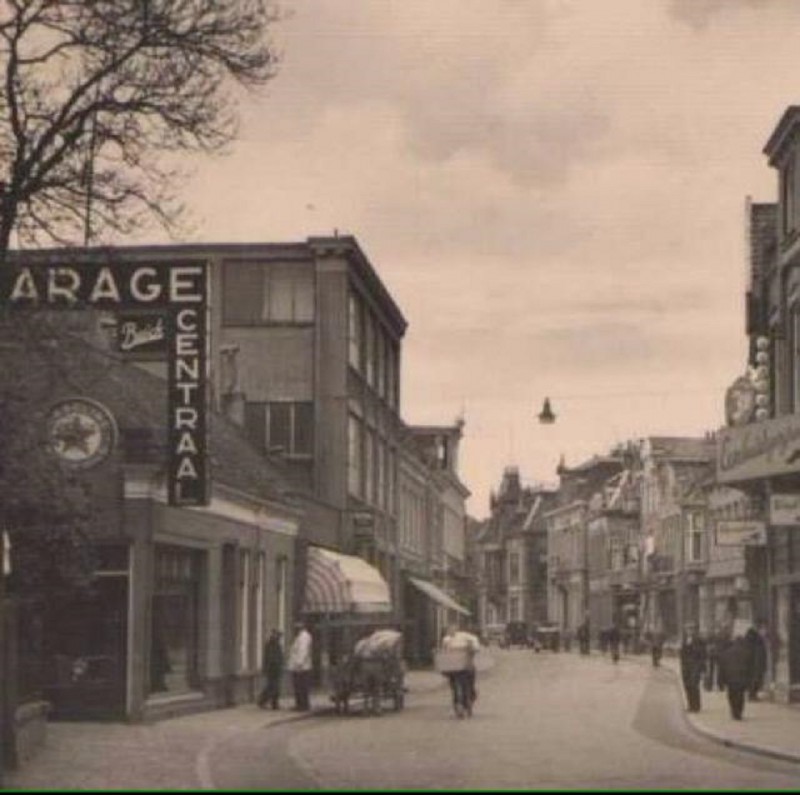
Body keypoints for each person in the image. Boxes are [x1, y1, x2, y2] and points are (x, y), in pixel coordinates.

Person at [440, 625, 480, 718]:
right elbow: (444, 651)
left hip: (466, 666)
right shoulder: (446, 639)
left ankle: (469, 699)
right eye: (449, 630)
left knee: (468, 684)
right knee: (454, 687)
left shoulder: (465, 636)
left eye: (452, 629)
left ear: (456, 629)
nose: (450, 632)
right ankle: (459, 706)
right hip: (453, 667)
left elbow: (475, 644)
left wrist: (472, 648)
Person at [719, 630, 755, 720]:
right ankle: (739, 712)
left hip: (730, 678)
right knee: (740, 695)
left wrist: (721, 681)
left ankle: (734, 710)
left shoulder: (726, 653)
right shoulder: (747, 652)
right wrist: (750, 681)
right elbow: (751, 668)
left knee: (732, 695)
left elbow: (722, 668)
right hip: (742, 678)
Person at [679, 624, 707, 713]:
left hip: (695, 666)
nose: (689, 631)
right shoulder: (684, 640)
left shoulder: (699, 640)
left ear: (694, 631)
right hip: (686, 667)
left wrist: (702, 667)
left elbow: (702, 654)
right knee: (687, 685)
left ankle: (696, 706)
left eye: (691, 629)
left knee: (694, 685)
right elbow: (682, 653)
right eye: (687, 629)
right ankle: (690, 705)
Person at [287, 622, 313, 711]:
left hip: (301, 668)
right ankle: (302, 704)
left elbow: (303, 651)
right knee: (301, 687)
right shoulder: (301, 637)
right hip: (301, 667)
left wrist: (299, 664)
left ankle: (302, 705)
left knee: (300, 687)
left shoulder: (303, 637)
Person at [257, 629, 284, 710]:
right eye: (278, 636)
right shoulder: (271, 645)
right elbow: (270, 657)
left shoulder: (277, 645)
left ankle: (272, 703)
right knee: (272, 686)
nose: (279, 638)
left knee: (273, 687)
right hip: (272, 668)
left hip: (276, 668)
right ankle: (265, 701)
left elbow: (279, 657)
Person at [746, 621, 768, 701]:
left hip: (754, 663)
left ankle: (752, 695)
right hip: (756, 664)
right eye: (762, 629)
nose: (764, 631)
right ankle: (752, 695)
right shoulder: (757, 640)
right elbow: (759, 653)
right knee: (755, 679)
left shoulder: (753, 639)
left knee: (754, 679)